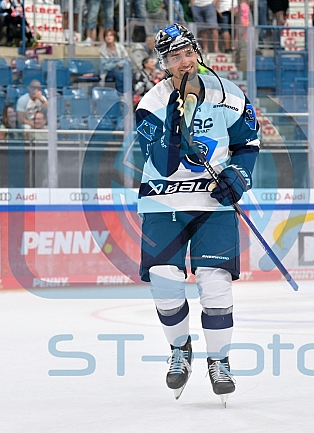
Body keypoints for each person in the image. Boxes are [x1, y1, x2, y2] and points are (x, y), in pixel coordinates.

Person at [135, 24, 260, 403]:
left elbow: (247, 143)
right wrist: (180, 122)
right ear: (164, 64)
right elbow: (161, 160)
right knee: (164, 281)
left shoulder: (230, 94)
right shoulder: (151, 103)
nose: (184, 61)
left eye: (188, 52)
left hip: (213, 203)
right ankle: (180, 350)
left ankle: (219, 361)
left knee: (215, 281)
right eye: (174, 56)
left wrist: (238, 177)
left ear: (198, 51)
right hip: (163, 201)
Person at [99, 28, 129, 93]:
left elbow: (126, 59)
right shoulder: (102, 50)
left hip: (121, 70)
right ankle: (121, 95)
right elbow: (105, 66)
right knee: (118, 76)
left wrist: (119, 62)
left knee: (130, 75)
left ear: (114, 37)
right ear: (104, 38)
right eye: (107, 36)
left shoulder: (120, 47)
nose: (108, 37)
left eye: (111, 35)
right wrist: (116, 64)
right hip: (108, 72)